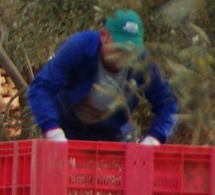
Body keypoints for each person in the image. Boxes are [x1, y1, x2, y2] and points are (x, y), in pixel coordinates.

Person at [26, 10, 178, 144]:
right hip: (68, 128)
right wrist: (52, 130)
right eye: (119, 48)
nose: (124, 56)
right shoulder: (79, 48)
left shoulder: (143, 63)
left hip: (112, 133)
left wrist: (154, 139)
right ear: (104, 36)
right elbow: (40, 88)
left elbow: (168, 104)